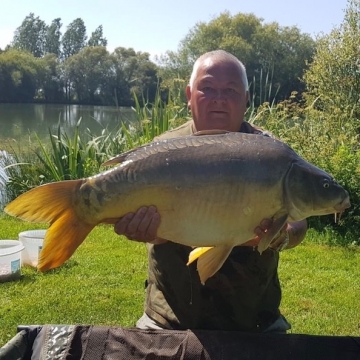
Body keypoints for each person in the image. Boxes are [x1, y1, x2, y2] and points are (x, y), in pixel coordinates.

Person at [114, 50, 308, 333]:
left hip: (254, 317)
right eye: (207, 88)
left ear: (246, 98)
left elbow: (299, 222)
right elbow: (153, 228)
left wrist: (282, 236)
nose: (219, 98)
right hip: (170, 316)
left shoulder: (271, 153)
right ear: (189, 94)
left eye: (230, 90)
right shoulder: (163, 151)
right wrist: (147, 230)